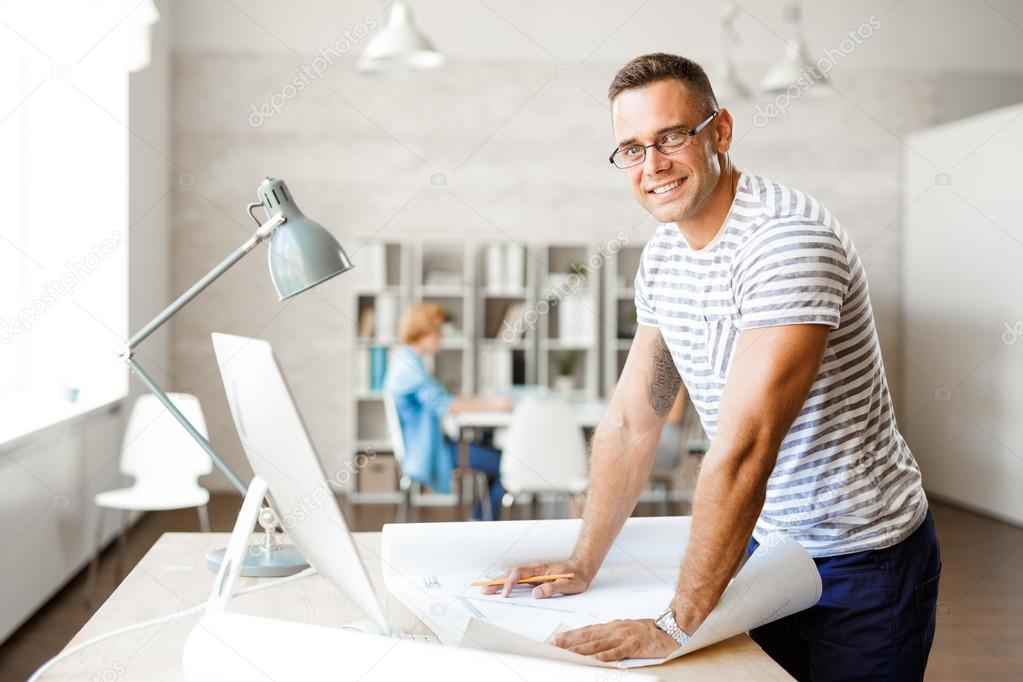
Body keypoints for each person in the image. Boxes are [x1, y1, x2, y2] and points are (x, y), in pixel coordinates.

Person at [484, 53, 940, 680]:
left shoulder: (786, 243)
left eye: (671, 137)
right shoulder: (666, 256)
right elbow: (633, 420)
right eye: (632, 149)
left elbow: (746, 447)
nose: (653, 166)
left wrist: (674, 626)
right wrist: (582, 560)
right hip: (767, 549)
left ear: (719, 132)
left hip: (861, 556)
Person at [383, 302, 511, 520]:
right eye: (438, 330)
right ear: (423, 331)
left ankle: (481, 522)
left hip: (432, 445)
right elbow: (450, 406)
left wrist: (480, 400)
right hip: (429, 452)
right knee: (509, 465)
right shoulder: (409, 368)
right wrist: (494, 404)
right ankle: (481, 524)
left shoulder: (407, 360)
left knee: (495, 452)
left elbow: (444, 399)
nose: (442, 336)